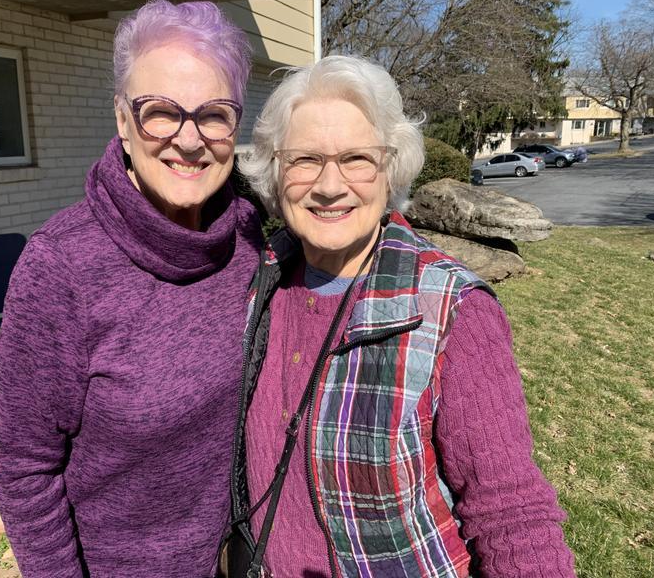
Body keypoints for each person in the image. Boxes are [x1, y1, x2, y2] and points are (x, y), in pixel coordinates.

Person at [229, 56, 576, 577]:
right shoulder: (261, 280)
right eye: (304, 159)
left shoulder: (451, 309)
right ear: (275, 172)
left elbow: (511, 511)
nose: (329, 185)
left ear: (390, 168)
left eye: (356, 159)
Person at [0, 0, 261, 577]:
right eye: (160, 111)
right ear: (122, 119)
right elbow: (24, 469)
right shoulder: (61, 267)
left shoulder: (249, 241)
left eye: (213, 114)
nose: (189, 140)